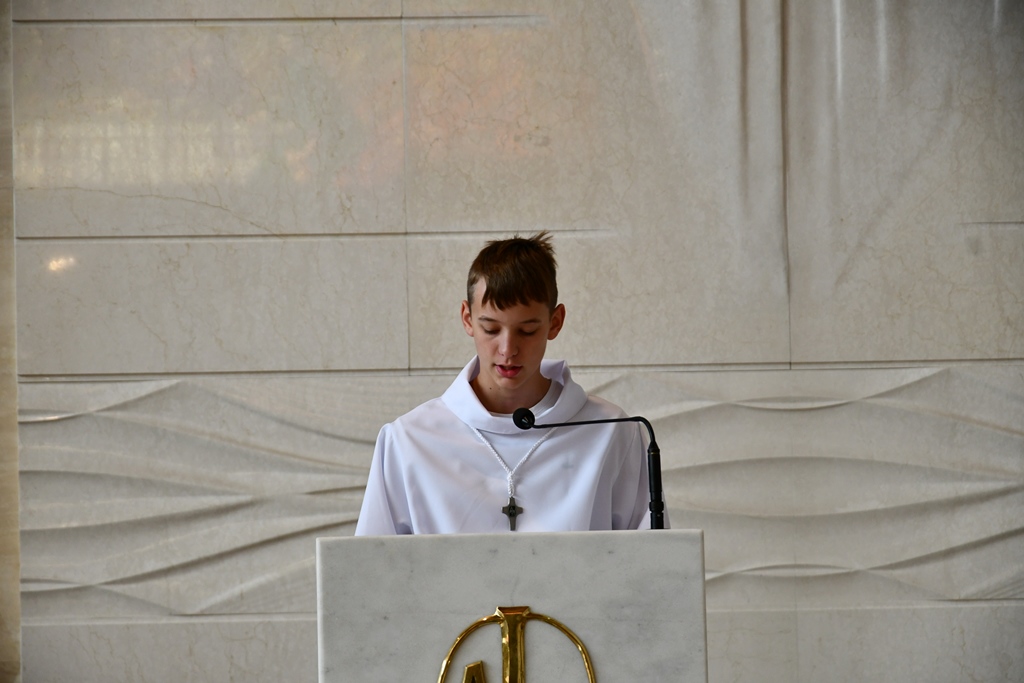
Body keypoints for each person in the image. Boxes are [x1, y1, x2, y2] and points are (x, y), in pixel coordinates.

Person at [354, 232, 653, 535]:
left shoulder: (613, 432)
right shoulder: (408, 441)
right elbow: (373, 561)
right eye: (491, 329)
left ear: (555, 322)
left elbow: (653, 558)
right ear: (467, 319)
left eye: (527, 331)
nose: (508, 350)